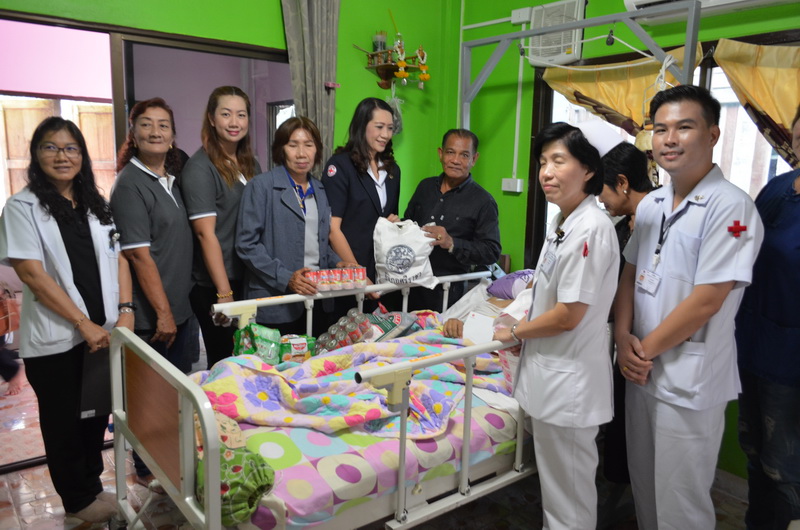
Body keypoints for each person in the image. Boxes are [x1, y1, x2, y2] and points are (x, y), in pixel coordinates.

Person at [614, 85, 764, 529]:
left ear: (713, 134)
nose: (670, 139)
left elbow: (707, 300)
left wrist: (640, 351)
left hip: (689, 380)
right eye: (661, 129)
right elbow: (630, 273)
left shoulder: (732, 208)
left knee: (681, 502)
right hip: (641, 372)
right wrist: (621, 337)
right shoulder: (652, 204)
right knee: (644, 487)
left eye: (684, 127)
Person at [0, 117, 134, 522]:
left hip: (102, 332)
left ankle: (90, 488)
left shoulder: (95, 205)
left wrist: (125, 311)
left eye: (71, 148)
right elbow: (31, 274)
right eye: (50, 147)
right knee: (64, 425)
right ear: (36, 154)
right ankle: (77, 501)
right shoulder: (22, 207)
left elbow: (119, 258)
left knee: (94, 415)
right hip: (58, 339)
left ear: (82, 155)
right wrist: (82, 323)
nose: (62, 156)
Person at [493, 122, 619, 529]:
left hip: (570, 386)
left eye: (559, 161)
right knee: (558, 492)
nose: (546, 172)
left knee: (569, 498)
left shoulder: (591, 228)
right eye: (543, 162)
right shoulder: (563, 223)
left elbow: (568, 315)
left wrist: (515, 333)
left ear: (588, 170)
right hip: (552, 378)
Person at [110, 97, 193, 490]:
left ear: (173, 134)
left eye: (163, 124)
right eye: (146, 124)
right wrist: (162, 313)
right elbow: (138, 256)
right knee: (150, 399)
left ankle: (171, 461)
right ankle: (147, 470)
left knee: (176, 393)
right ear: (133, 133)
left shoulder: (171, 178)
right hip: (153, 316)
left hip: (180, 307)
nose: (155, 131)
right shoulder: (130, 184)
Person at [735, 103, 800, 529]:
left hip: (791, 363)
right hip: (751, 347)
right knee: (754, 453)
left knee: (785, 470)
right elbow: (743, 245)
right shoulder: (778, 188)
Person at [237, 117, 347, 336]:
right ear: (281, 149)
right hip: (275, 299)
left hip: (317, 297)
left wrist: (338, 262)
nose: (301, 154)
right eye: (293, 145)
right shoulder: (261, 186)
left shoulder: (319, 189)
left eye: (308, 145)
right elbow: (246, 245)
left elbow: (318, 244)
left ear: (317, 150)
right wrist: (286, 277)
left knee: (315, 356)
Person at [181, 86, 261, 369]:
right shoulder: (200, 168)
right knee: (225, 363)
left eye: (241, 115)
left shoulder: (250, 163)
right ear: (211, 119)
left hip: (246, 275)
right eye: (226, 114)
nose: (234, 122)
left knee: (249, 361)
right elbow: (205, 234)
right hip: (216, 282)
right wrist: (224, 293)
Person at [597, 142, 655, 487]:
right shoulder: (623, 227)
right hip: (626, 336)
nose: (600, 200)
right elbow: (622, 281)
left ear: (622, 183)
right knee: (623, 427)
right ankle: (620, 487)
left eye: (602, 190)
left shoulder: (657, 219)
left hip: (653, 342)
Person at [404, 129, 501, 312]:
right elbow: (410, 224)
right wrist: (397, 225)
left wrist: (452, 242)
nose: (456, 160)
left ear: (474, 159)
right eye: (450, 152)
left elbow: (491, 251)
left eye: (464, 155)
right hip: (409, 286)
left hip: (447, 292)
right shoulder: (425, 187)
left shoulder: (483, 201)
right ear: (440, 154)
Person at [324, 97, 401, 312]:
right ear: (362, 126)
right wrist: (359, 275)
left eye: (390, 128)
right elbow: (333, 229)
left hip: (382, 272)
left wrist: (393, 224)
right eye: (379, 127)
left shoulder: (392, 170)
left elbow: (388, 217)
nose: (385, 134)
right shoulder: (340, 166)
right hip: (348, 270)